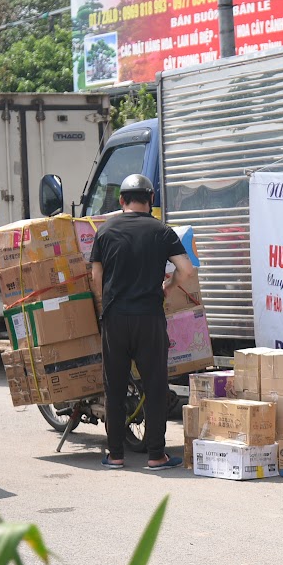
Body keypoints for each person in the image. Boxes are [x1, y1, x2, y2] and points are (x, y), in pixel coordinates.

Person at [89, 173, 196, 470]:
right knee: (155, 385)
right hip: (149, 317)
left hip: (115, 319)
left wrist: (106, 302)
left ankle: (116, 454)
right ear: (150, 201)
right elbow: (186, 270)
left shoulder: (105, 231)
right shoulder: (161, 231)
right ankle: (156, 455)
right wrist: (168, 287)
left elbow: (96, 277)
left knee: (115, 386)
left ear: (121, 201)